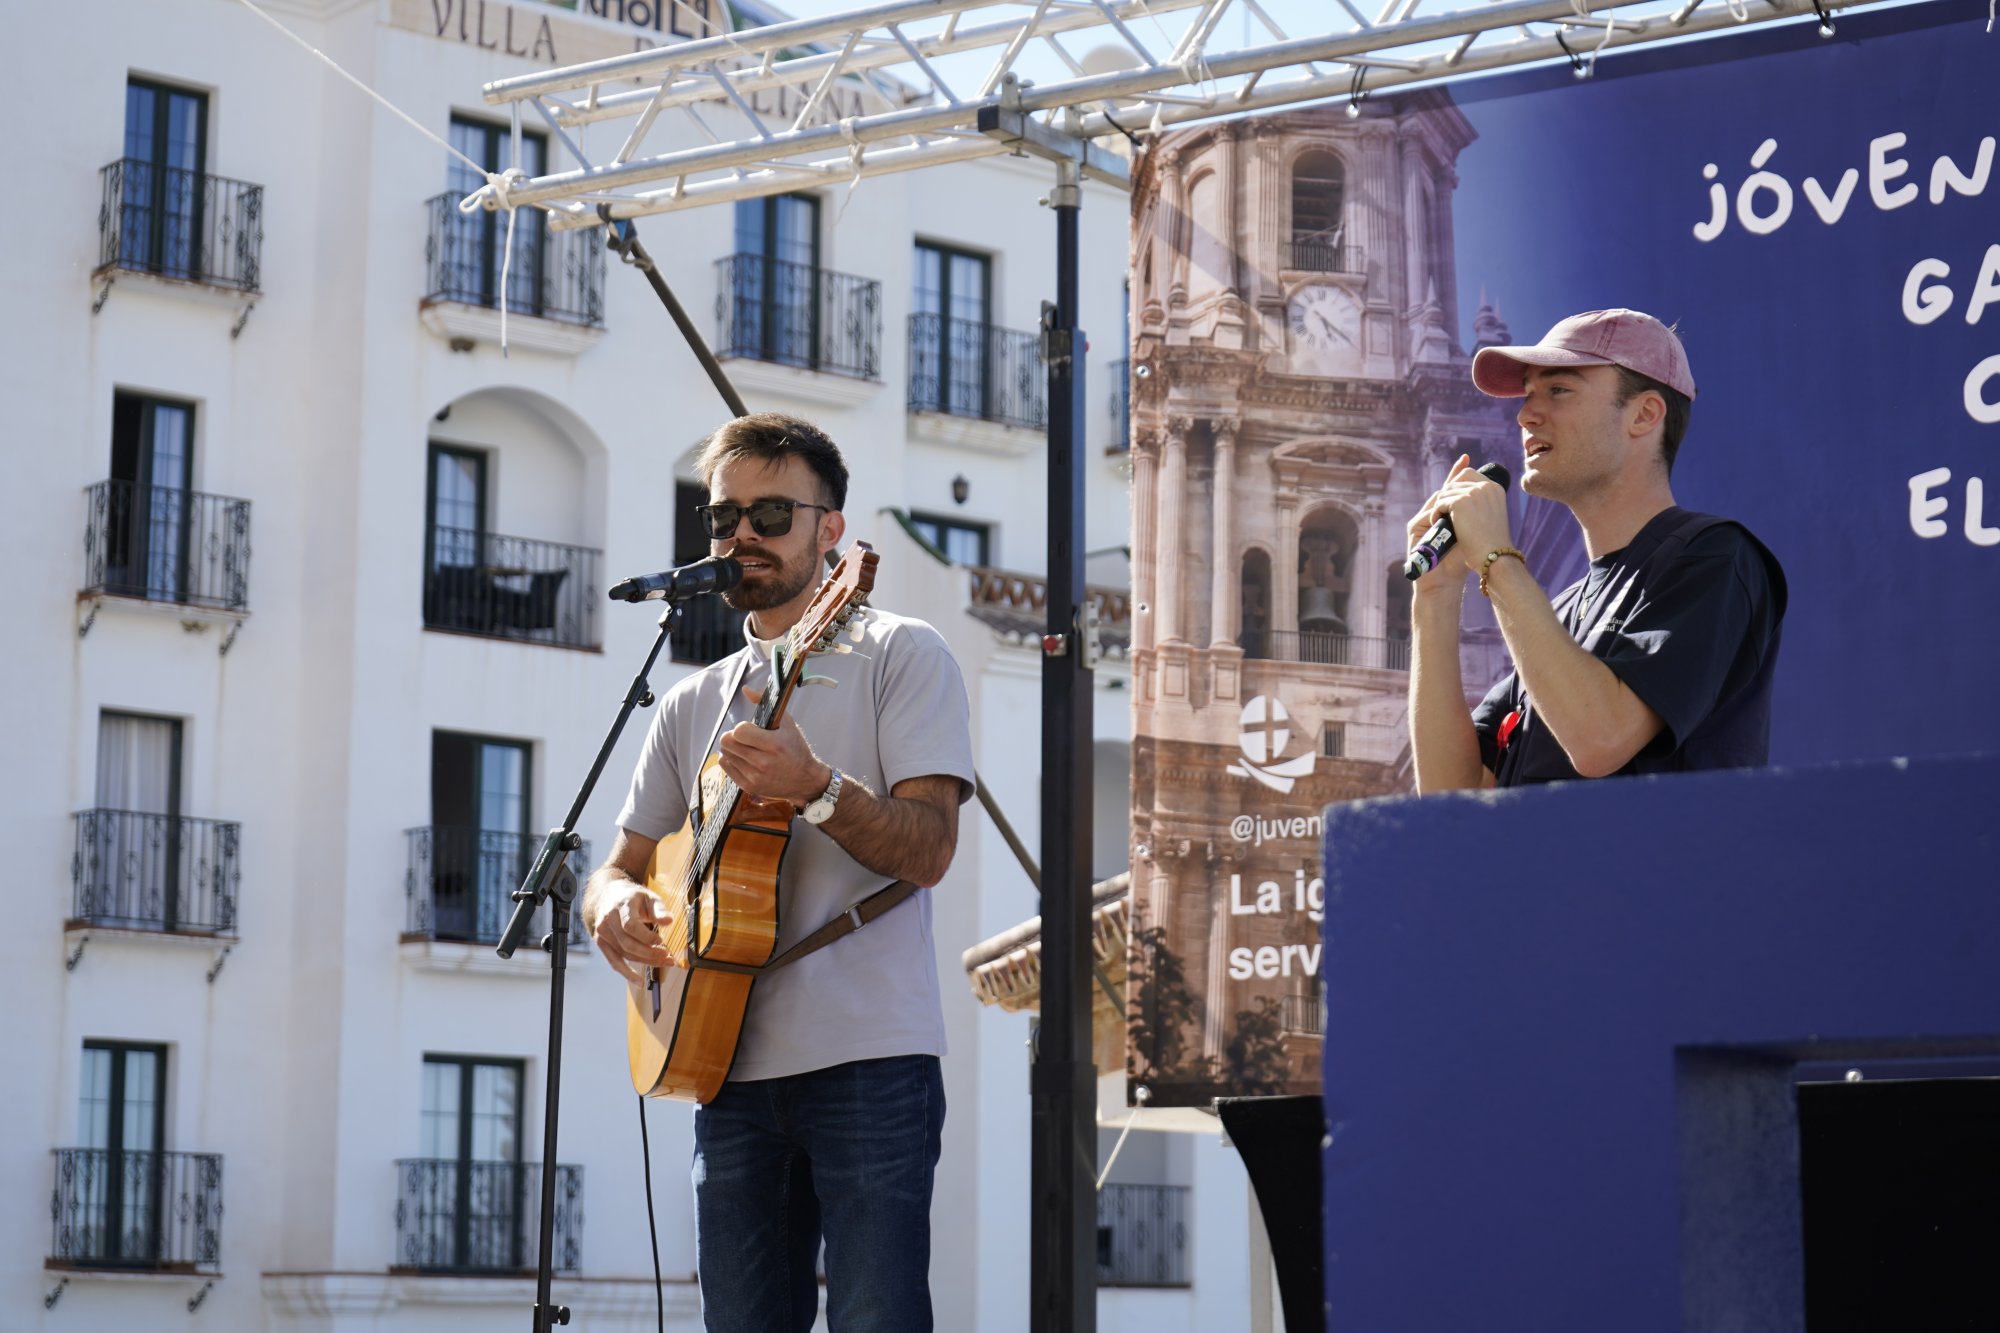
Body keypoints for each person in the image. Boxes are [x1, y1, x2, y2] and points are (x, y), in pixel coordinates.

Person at [581, 412, 975, 1332]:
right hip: (721, 1061)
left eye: (770, 514)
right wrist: (613, 905)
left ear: (830, 528)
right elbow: (616, 866)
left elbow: (931, 848)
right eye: (724, 518)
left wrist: (818, 790)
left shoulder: (904, 653)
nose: (742, 537)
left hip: (870, 1058)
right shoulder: (691, 700)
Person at [1406, 308, 1787, 791]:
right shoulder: (1556, 615)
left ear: (1644, 414)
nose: (1525, 415)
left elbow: (1600, 739)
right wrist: (1434, 597)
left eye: (1558, 390)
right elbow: (1450, 798)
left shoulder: (1715, 557)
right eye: (1527, 394)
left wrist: (1496, 559)